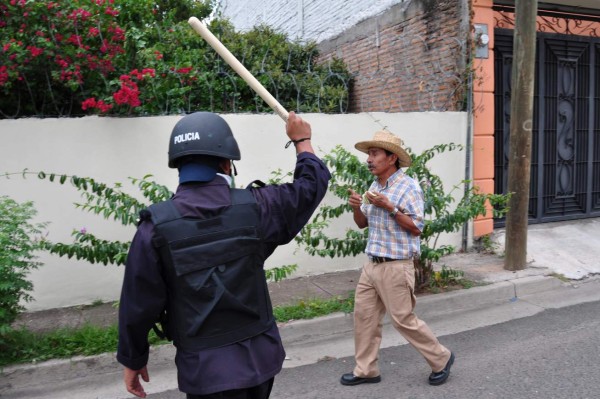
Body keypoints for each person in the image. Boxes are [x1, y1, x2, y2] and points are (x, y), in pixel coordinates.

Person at [117, 111, 331, 399]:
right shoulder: (259, 207)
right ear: (227, 164)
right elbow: (310, 186)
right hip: (259, 362)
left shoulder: (154, 229)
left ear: (178, 164)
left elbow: (138, 303)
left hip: (205, 371)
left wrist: (133, 358)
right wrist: (302, 141)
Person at [340, 130, 454, 387]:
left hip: (396, 265)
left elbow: (416, 228)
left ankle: (441, 358)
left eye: (375, 153)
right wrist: (357, 207)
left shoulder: (409, 187)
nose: (369, 159)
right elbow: (363, 225)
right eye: (368, 154)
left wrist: (390, 207)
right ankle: (366, 370)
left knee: (403, 319)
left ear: (392, 158)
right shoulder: (374, 186)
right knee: (364, 317)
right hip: (372, 264)